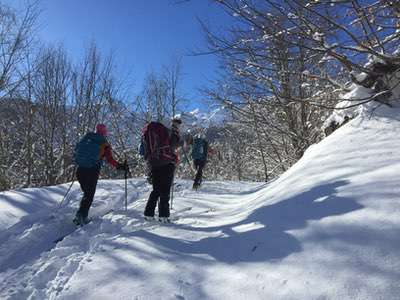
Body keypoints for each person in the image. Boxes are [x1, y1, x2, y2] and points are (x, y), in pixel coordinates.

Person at [73, 123, 128, 225]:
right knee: (89, 195)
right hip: (92, 170)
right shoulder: (104, 143)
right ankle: (81, 217)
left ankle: (80, 214)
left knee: (87, 194)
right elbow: (110, 160)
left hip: (80, 170)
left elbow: (76, 150)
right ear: (105, 132)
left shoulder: (87, 138)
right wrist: (120, 166)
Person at [142, 117, 181, 223]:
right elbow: (174, 144)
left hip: (154, 163)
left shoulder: (147, 132)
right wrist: (176, 130)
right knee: (165, 190)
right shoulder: (166, 131)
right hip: (167, 163)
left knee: (156, 190)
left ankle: (148, 213)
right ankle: (164, 216)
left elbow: (142, 150)